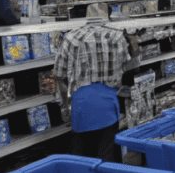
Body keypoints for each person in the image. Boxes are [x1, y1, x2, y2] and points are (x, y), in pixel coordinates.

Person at [54, 24, 129, 163]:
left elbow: (59, 76)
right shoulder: (117, 37)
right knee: (107, 158)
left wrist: (65, 105)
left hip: (81, 108)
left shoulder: (71, 38)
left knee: (83, 159)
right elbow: (125, 66)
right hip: (109, 107)